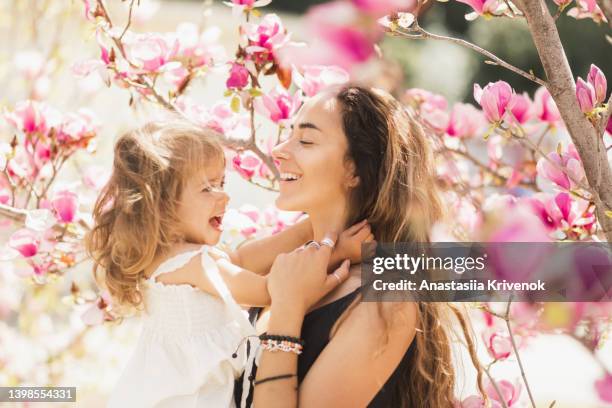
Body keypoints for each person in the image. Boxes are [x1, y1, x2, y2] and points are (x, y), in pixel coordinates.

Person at [85, 119, 371, 407]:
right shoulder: (192, 262)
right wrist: (338, 251)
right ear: (161, 204)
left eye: (221, 182)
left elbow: (242, 259)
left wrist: (309, 228)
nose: (224, 195)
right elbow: (271, 290)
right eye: (207, 188)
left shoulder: (174, 257)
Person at [239, 86, 484, 407]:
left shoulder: (386, 302)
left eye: (306, 141)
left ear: (354, 169)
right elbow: (216, 270)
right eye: (288, 134)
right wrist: (321, 238)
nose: (279, 150)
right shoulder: (294, 265)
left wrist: (287, 310)